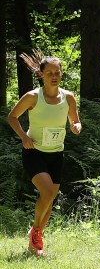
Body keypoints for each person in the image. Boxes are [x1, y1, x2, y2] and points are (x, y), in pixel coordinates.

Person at [7, 50, 82, 256]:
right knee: (48, 193)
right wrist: (24, 137)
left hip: (56, 153)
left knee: (49, 198)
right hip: (34, 152)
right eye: (49, 73)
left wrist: (76, 126)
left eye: (57, 72)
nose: (54, 76)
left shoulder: (68, 97)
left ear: (61, 73)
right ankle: (36, 230)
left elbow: (74, 121)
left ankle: (36, 237)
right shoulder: (32, 97)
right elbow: (12, 117)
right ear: (41, 75)